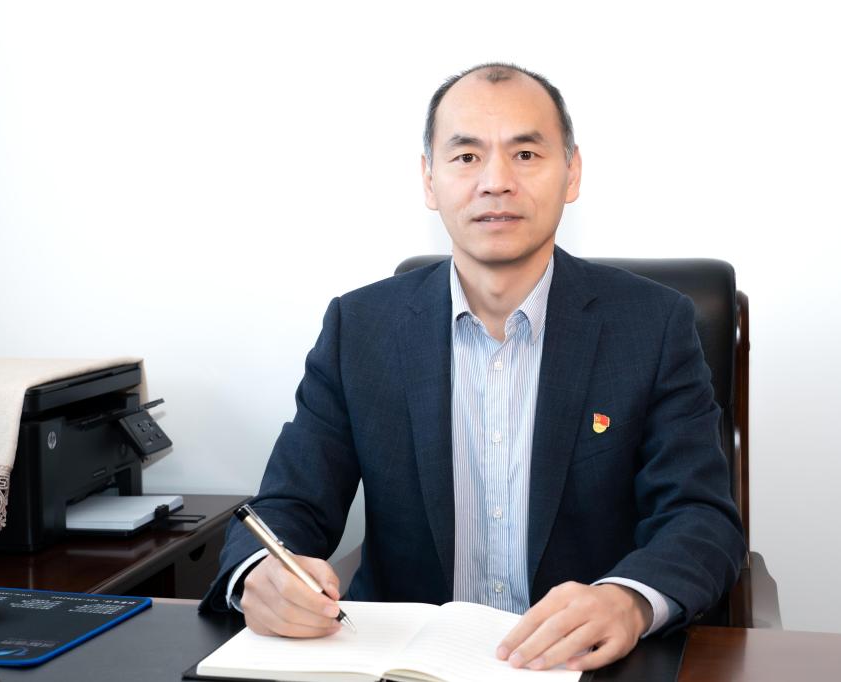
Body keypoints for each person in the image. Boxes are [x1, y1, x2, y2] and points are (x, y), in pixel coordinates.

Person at [201, 62, 747, 672]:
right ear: (429, 180)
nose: (496, 182)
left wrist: (629, 601)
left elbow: (700, 517)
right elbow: (289, 504)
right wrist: (262, 573)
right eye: (466, 157)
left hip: (580, 666)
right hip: (402, 668)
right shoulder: (361, 328)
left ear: (572, 173)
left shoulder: (652, 325)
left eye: (526, 154)